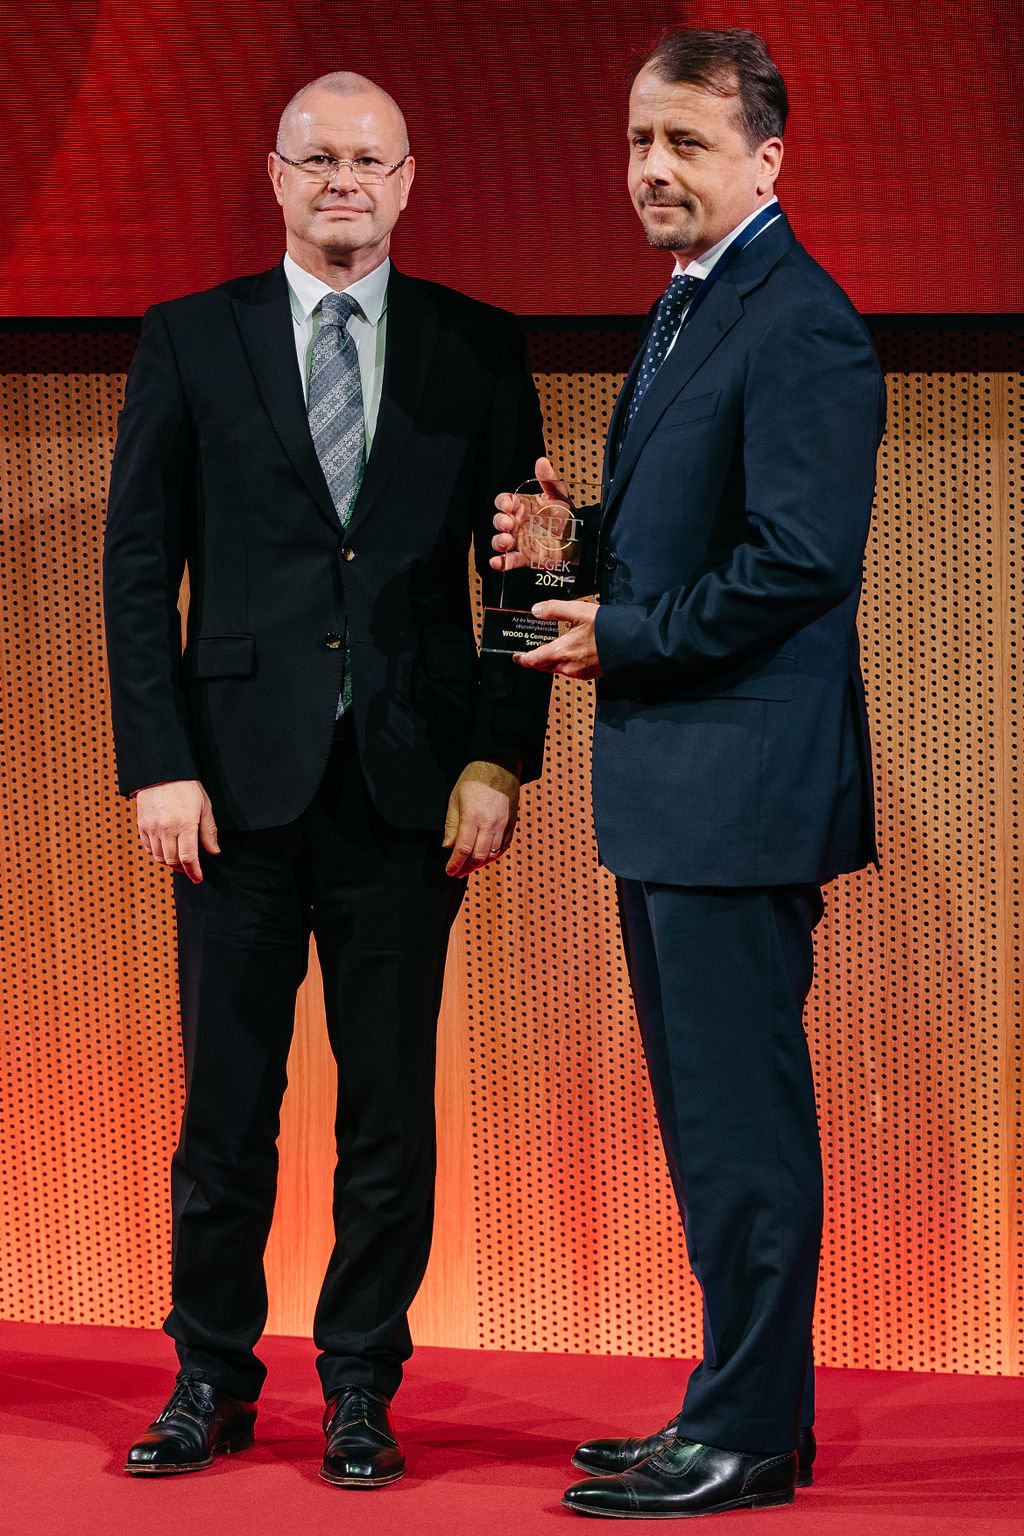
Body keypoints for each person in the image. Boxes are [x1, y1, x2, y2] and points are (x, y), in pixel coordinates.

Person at [104, 70, 549, 1488]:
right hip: (230, 795)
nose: (343, 181)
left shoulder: (479, 347)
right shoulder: (189, 337)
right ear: (276, 176)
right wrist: (157, 765)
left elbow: (523, 574)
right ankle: (209, 1378)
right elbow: (136, 571)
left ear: (409, 180)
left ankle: (361, 1383)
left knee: (388, 1115)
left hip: (410, 790)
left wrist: (498, 753)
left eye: (369, 160)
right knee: (225, 1108)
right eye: (318, 160)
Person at [493, 27, 885, 1521]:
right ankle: (734, 1405)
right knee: (709, 1127)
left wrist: (625, 633)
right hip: (678, 786)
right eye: (640, 141)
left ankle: (749, 1434)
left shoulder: (802, 320)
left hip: (739, 791)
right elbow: (701, 536)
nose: (652, 168)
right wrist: (580, 545)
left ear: (767, 159)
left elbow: (800, 560)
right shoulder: (694, 302)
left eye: (687, 143)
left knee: (740, 1126)